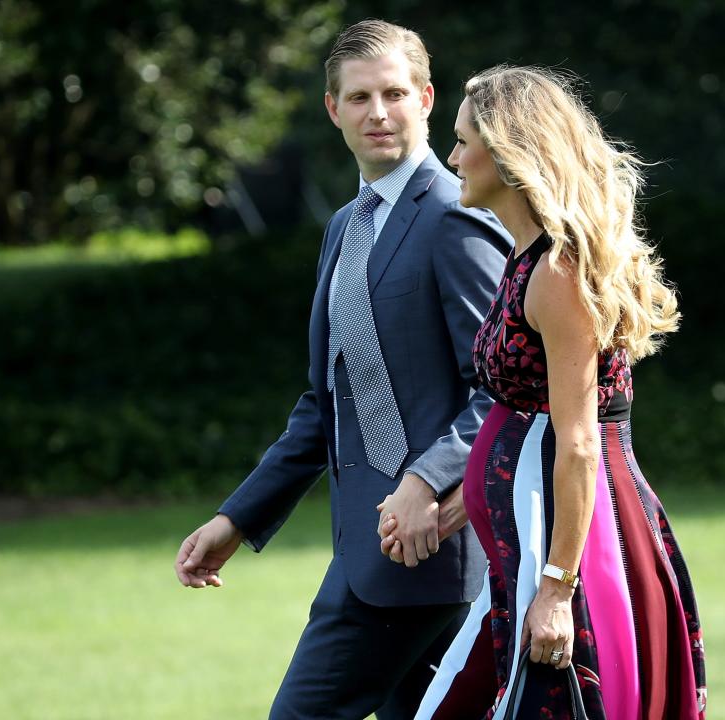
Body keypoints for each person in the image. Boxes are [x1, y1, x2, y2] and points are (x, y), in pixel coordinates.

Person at [174, 19, 512, 719]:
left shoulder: (455, 215)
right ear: (333, 109)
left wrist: (426, 479)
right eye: (358, 98)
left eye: (394, 93)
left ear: (425, 98)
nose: (378, 113)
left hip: (430, 549)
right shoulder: (344, 226)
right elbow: (327, 402)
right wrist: (236, 519)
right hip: (369, 548)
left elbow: (503, 386)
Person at [398, 66, 706, 719]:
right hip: (520, 549)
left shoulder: (558, 272)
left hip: (570, 551)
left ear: (510, 152)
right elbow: (521, 416)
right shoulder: (524, 255)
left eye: (461, 141)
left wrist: (559, 588)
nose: (451, 157)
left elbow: (578, 438)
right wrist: (456, 507)